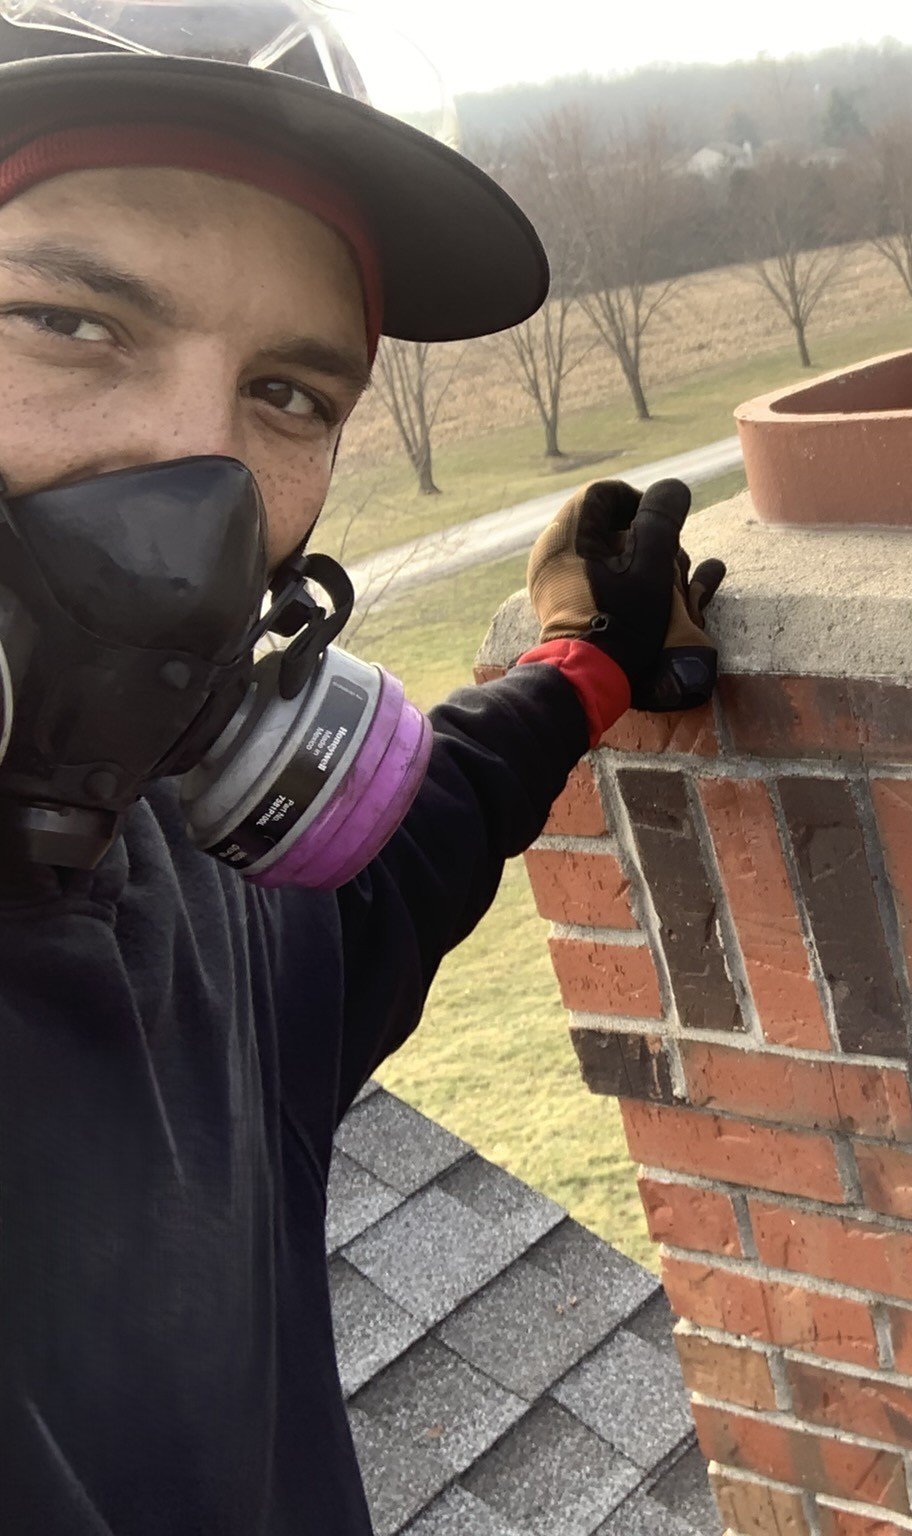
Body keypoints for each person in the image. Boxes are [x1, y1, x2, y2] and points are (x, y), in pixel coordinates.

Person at [0, 6, 722, 1531]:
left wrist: (584, 668)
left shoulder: (165, 874)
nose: (188, 470)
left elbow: (388, 872)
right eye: (68, 321)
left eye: (289, 395)